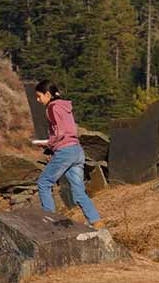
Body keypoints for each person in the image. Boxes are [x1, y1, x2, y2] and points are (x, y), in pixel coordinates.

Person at [33, 80, 105, 229]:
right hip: (77, 150)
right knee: (79, 192)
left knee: (44, 183)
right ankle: (96, 222)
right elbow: (70, 130)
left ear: (47, 94)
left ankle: (50, 222)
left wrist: (48, 145)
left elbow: (59, 132)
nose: (38, 100)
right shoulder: (65, 107)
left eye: (39, 96)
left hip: (65, 151)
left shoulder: (52, 107)